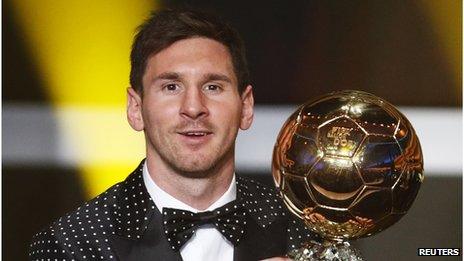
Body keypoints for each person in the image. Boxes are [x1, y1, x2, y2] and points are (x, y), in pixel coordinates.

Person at [29, 8, 315, 261]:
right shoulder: (71, 244)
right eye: (171, 87)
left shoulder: (303, 229)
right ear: (136, 108)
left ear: (246, 107)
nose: (193, 108)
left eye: (213, 87)